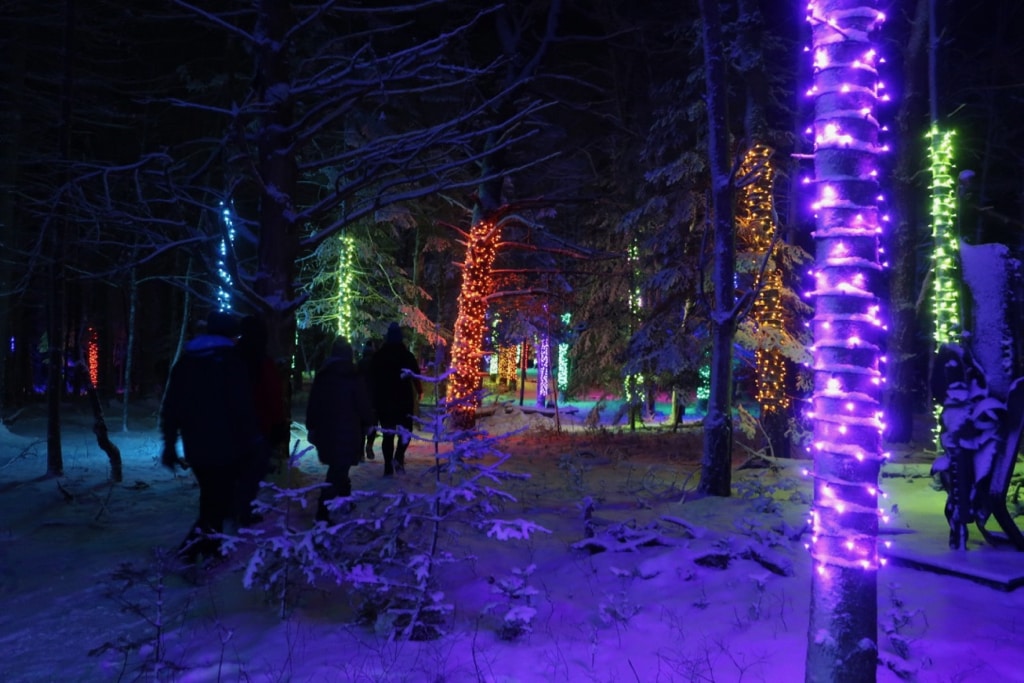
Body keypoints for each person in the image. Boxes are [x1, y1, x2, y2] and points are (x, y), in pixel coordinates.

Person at [160, 311, 262, 565]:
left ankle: (210, 548)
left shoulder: (186, 363)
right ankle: (189, 552)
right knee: (217, 501)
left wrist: (170, 443)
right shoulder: (232, 362)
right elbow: (242, 406)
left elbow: (171, 407)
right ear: (230, 334)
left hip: (197, 446)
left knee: (213, 497)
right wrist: (253, 440)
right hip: (228, 446)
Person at [305, 337, 374, 523]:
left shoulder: (323, 375)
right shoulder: (353, 376)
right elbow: (362, 403)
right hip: (348, 431)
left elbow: (314, 403)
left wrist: (312, 425)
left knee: (338, 467)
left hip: (326, 431)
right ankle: (323, 510)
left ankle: (345, 499)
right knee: (338, 470)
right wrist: (369, 422)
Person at [234, 314, 289, 525]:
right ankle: (242, 511)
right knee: (252, 472)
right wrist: (278, 423)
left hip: (236, 425)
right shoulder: (262, 361)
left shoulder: (233, 357)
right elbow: (272, 395)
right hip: (258, 426)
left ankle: (238, 508)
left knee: (241, 471)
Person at [369, 322, 422, 476]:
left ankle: (388, 466)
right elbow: (416, 376)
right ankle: (398, 457)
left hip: (384, 400)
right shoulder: (406, 355)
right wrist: (419, 390)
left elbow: (372, 378)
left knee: (388, 433)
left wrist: (373, 397)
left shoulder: (379, 355)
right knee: (406, 432)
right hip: (403, 399)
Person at [357, 339, 379, 460]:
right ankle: (369, 445)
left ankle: (360, 452)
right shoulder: (376, 364)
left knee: (361, 426)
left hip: (362, 397)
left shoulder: (360, 363)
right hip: (374, 399)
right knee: (373, 424)